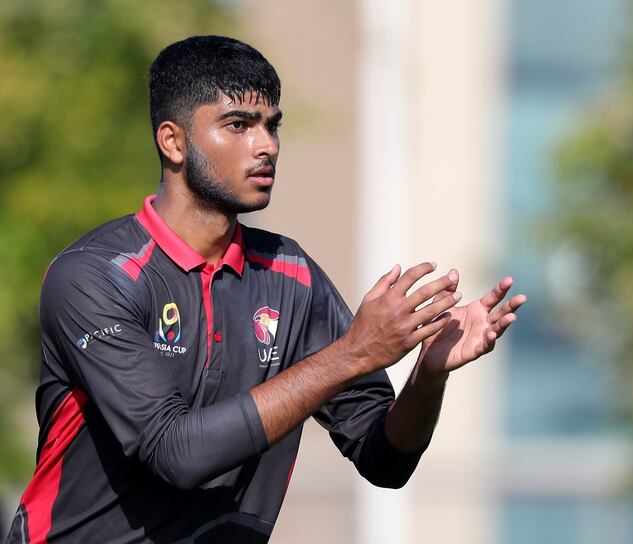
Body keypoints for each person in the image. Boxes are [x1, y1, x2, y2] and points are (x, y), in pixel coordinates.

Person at [5, 35, 526, 543]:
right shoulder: (94, 275)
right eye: (238, 125)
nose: (266, 145)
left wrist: (428, 375)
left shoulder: (290, 275)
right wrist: (352, 354)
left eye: (272, 125)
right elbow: (175, 453)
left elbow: (384, 460)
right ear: (173, 141)